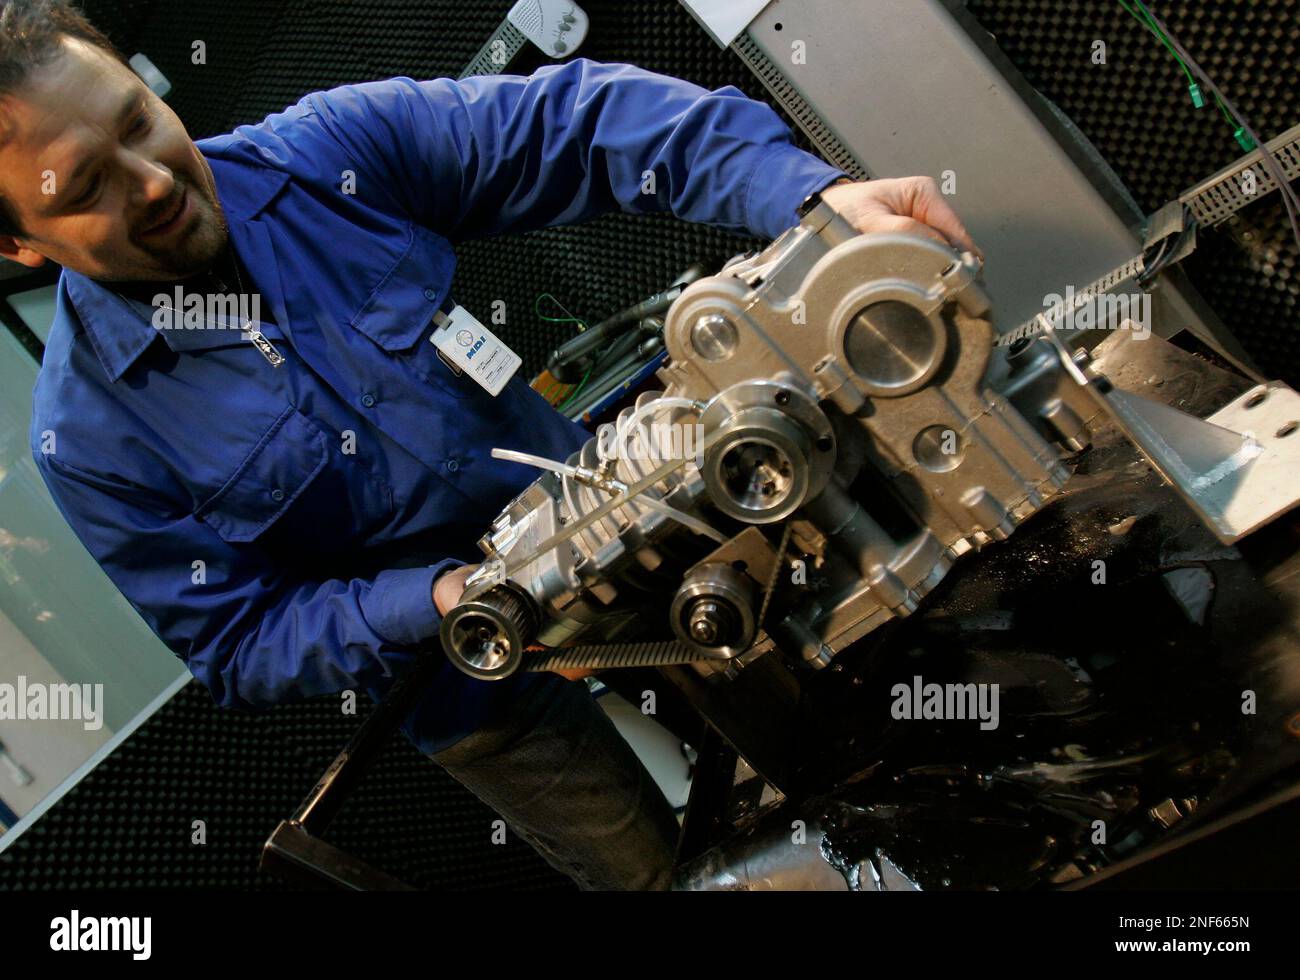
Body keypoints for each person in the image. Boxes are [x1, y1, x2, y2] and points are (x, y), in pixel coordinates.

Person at [0, 0, 977, 889]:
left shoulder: (324, 153)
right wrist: (431, 600)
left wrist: (809, 202)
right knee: (666, 877)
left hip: (631, 541)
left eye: (136, 120)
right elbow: (236, 640)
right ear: (18, 246)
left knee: (853, 749)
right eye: (87, 185)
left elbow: (573, 124)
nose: (153, 179)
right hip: (475, 686)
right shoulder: (87, 439)